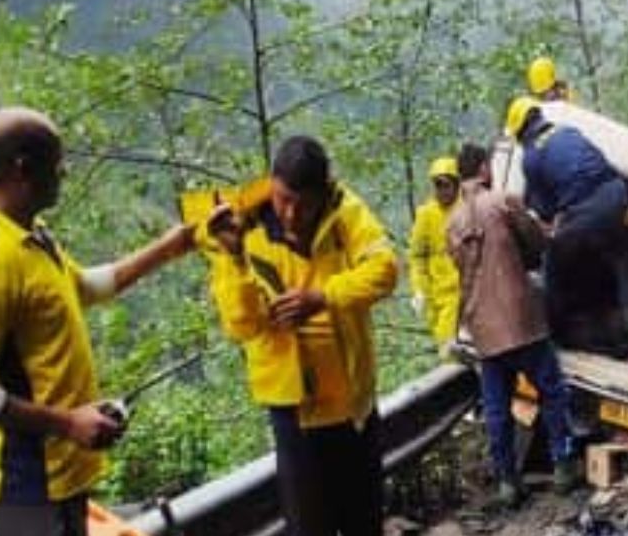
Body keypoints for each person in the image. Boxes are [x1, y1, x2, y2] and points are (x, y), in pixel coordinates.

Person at [0, 107, 197, 536]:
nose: (64, 171)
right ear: (24, 168)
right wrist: (66, 422)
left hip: (61, 478)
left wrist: (173, 245)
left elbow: (87, 287)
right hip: (25, 488)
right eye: (57, 162)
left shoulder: (30, 235)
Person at [196, 135, 397, 536]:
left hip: (353, 404)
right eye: (282, 199)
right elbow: (241, 325)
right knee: (310, 526)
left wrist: (322, 296)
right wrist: (234, 259)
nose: (289, 214)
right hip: (294, 411)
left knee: (364, 520)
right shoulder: (242, 226)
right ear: (270, 183)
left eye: (302, 204)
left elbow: (386, 269)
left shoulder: (345, 212)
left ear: (322, 193)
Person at [446, 143, 575, 507]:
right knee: (552, 391)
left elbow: (464, 269)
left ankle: (508, 482)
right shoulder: (504, 201)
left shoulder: (451, 224)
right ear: (485, 169)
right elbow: (535, 242)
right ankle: (563, 465)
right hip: (521, 320)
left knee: (497, 409)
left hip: (483, 330)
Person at [504, 97, 628, 343]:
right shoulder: (568, 131)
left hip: (587, 210)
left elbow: (544, 209)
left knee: (553, 260)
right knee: (619, 254)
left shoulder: (532, 156)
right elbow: (597, 162)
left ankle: (556, 332)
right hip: (617, 194)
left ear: (521, 131)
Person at [408, 156, 462, 352]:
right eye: (436, 185)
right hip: (441, 298)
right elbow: (417, 257)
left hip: (468, 295)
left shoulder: (467, 208)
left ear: (457, 184)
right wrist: (419, 290)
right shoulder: (426, 214)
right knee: (448, 349)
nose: (440, 190)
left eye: (444, 184)